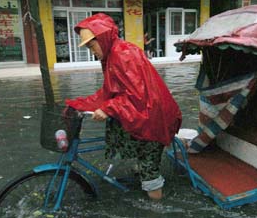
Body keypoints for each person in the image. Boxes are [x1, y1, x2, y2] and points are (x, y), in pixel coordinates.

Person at [65, 13, 182, 200]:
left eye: (91, 45)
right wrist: (81, 104)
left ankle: (157, 207)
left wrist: (107, 108)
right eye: (88, 47)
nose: (91, 50)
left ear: (102, 37)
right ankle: (139, 166)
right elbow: (110, 92)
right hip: (147, 112)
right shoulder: (112, 55)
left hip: (154, 117)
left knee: (149, 170)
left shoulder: (124, 54)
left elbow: (137, 95)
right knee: (118, 129)